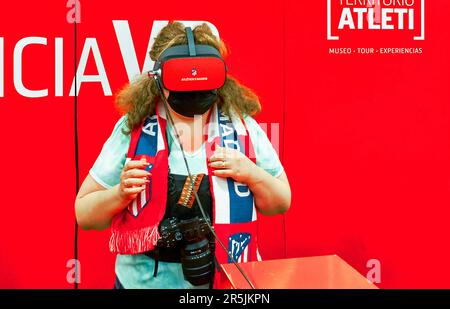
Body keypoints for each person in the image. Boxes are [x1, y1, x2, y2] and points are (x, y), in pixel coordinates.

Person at [75, 22, 291, 289]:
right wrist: (119, 194)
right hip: (140, 284)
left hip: (224, 284)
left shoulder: (242, 127)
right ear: (157, 80)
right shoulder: (133, 128)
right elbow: (84, 215)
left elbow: (280, 202)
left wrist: (252, 173)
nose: (193, 89)